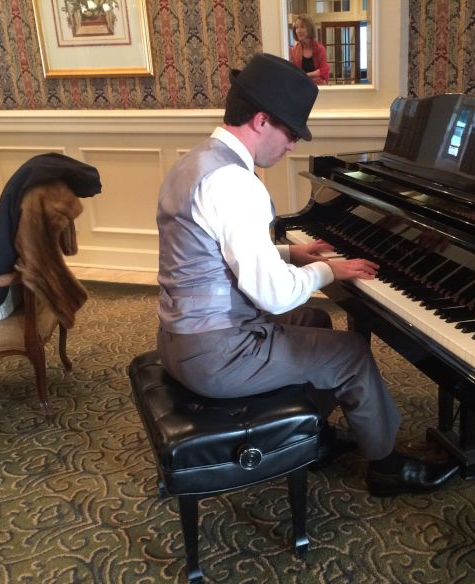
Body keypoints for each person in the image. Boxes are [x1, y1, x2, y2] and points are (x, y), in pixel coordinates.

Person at [155, 52, 459, 496]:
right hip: (215, 355)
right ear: (261, 120)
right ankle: (387, 467)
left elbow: (212, 254)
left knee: (315, 322)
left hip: (179, 340)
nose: (293, 145)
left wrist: (291, 252)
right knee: (351, 353)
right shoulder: (236, 184)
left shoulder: (196, 162)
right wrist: (325, 269)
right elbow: (275, 297)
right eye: (291, 131)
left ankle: (303, 435)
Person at [289, 14, 330, 85]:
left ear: (309, 28)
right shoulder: (294, 51)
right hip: (300, 90)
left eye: (302, 27)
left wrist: (304, 76)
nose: (298, 31)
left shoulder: (320, 49)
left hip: (318, 90)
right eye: (296, 27)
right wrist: (315, 74)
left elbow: (324, 74)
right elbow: (293, 75)